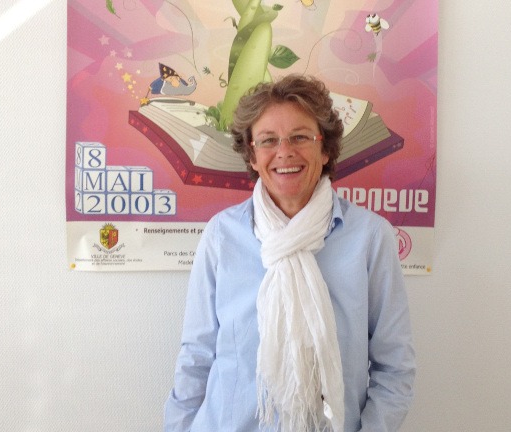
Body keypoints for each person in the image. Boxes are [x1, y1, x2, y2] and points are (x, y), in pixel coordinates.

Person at [164, 74, 415, 431]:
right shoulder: (222, 235)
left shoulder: (370, 238)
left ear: (325, 149)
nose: (284, 152)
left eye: (300, 137)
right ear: (252, 155)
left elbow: (395, 367)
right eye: (268, 140)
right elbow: (196, 355)